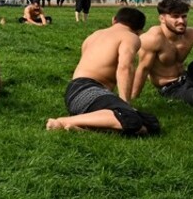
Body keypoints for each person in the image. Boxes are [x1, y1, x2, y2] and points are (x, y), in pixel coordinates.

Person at [45, 8, 160, 136]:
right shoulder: (130, 36)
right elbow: (125, 67)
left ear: (114, 20)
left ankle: (83, 127)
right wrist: (125, 104)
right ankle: (62, 122)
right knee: (129, 117)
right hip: (88, 90)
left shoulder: (94, 35)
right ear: (139, 31)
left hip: (75, 92)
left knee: (150, 124)